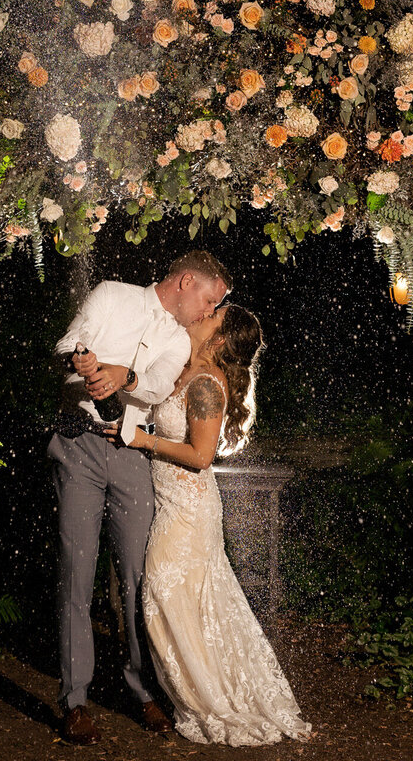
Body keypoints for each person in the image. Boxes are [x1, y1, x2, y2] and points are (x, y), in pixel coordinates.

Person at [107, 304, 312, 746]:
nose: (202, 315)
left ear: (218, 340)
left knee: (163, 589)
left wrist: (142, 440)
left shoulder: (205, 385)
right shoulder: (185, 370)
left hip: (189, 509)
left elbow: (201, 457)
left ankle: (207, 700)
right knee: (187, 600)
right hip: (171, 500)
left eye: (212, 316)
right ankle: (206, 691)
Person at [49, 251, 232, 746]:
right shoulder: (111, 294)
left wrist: (123, 376)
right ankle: (75, 699)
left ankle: (143, 688)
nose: (207, 313)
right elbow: (68, 341)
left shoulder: (175, 338)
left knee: (137, 577)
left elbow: (153, 390)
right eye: (209, 301)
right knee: (77, 572)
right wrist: (82, 360)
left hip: (131, 454)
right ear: (187, 281)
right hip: (78, 446)